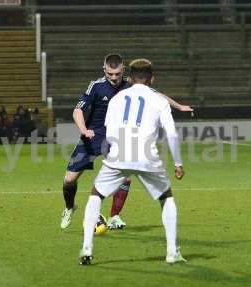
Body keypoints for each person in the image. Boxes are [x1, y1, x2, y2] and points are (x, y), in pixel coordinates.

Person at [61, 53, 193, 230]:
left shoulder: (130, 84)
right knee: (70, 180)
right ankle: (69, 207)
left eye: (117, 74)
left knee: (125, 177)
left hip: (118, 137)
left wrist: (179, 106)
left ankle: (114, 216)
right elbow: (77, 111)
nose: (114, 78)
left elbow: (157, 95)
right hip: (93, 135)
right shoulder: (96, 86)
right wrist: (84, 130)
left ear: (123, 70)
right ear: (104, 70)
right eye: (110, 74)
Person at [80, 58, 186, 265]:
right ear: (152, 79)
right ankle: (172, 252)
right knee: (166, 198)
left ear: (129, 78)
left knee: (96, 194)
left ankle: (86, 248)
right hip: (147, 156)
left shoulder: (117, 99)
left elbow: (109, 130)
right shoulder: (159, 100)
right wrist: (178, 163)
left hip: (118, 154)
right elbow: (172, 134)